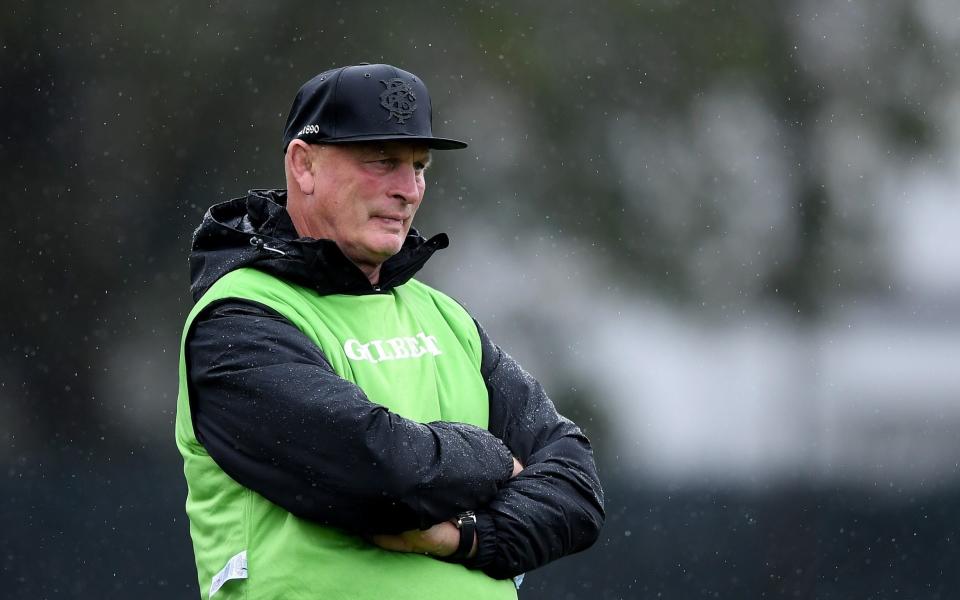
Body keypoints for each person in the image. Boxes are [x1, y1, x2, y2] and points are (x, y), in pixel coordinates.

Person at [174, 63, 604, 600]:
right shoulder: (238, 320)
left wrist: (464, 538)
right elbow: (378, 474)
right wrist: (495, 458)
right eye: (382, 162)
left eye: (419, 167)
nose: (408, 189)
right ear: (303, 166)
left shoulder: (444, 316)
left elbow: (578, 489)